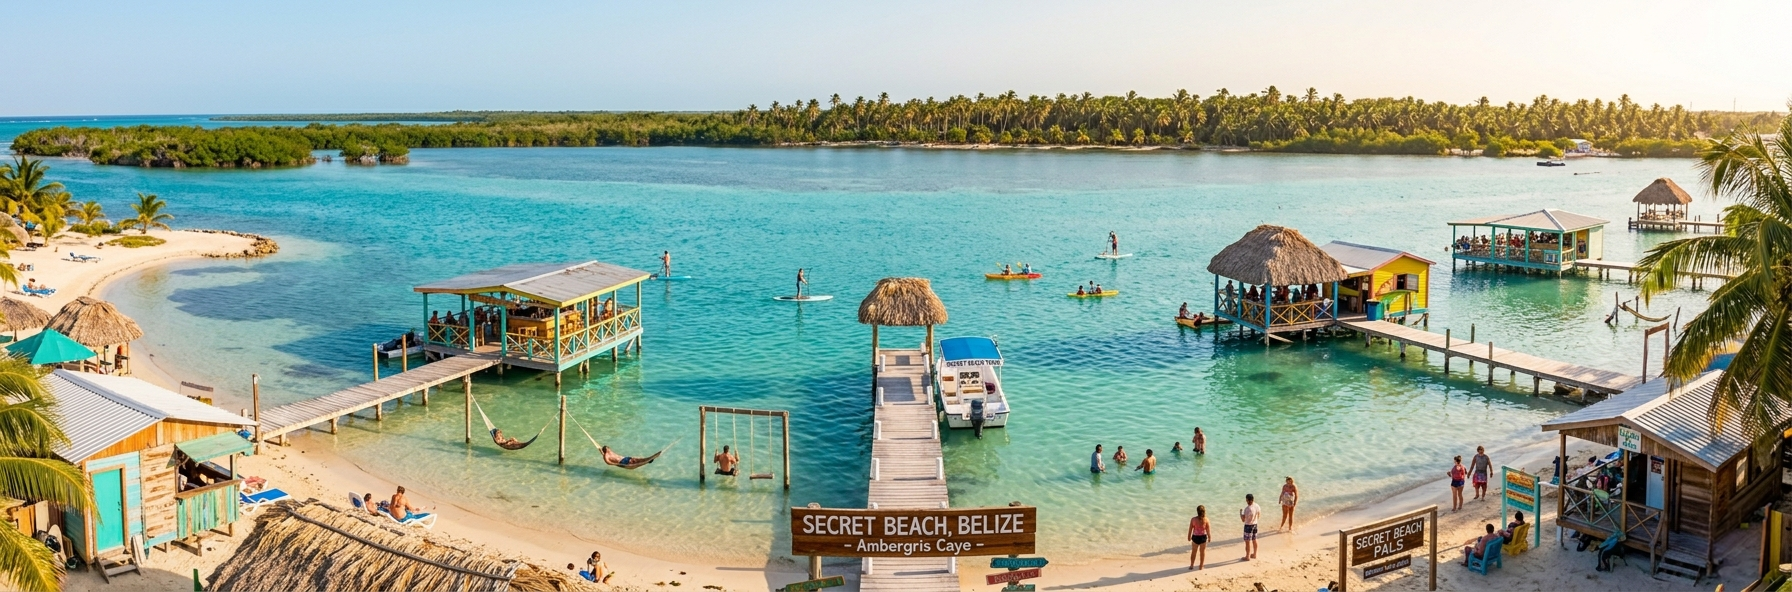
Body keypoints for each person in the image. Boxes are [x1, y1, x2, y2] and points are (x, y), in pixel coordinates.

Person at [1188, 505, 1210, 570]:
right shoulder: (1206, 519)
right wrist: (1209, 537)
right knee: (1202, 552)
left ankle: (1191, 565)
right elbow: (1208, 529)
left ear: (1197, 511)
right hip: (1203, 537)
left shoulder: (1193, 519)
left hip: (1195, 537)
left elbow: (1190, 529)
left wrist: (1189, 537)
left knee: (1193, 552)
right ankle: (1201, 566)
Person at [1240, 494, 1262, 561]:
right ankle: (1255, 554)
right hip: (1255, 524)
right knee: (1254, 539)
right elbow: (1259, 514)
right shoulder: (1256, 505)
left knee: (1247, 542)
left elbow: (1243, 520)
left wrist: (1240, 513)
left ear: (1247, 500)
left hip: (1248, 526)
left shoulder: (1247, 509)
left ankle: (1247, 556)